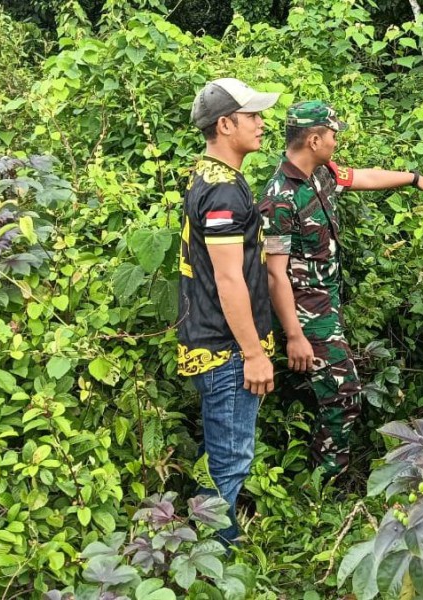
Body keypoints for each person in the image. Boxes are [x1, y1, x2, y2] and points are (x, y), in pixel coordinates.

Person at [259, 100, 423, 477]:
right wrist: (295, 335)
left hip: (328, 305)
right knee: (344, 395)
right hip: (307, 314)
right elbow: (274, 275)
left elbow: (360, 177)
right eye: (332, 135)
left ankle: (322, 476)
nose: (335, 141)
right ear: (313, 140)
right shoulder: (280, 197)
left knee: (334, 394)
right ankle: (325, 483)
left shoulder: (321, 173)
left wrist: (414, 179)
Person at [176, 77, 279, 544]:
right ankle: (213, 551)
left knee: (221, 450)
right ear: (225, 124)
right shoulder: (222, 192)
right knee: (231, 456)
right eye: (252, 116)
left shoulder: (214, 177)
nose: (261, 123)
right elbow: (228, 277)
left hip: (218, 342)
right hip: (225, 348)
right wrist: (254, 354)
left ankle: (209, 540)